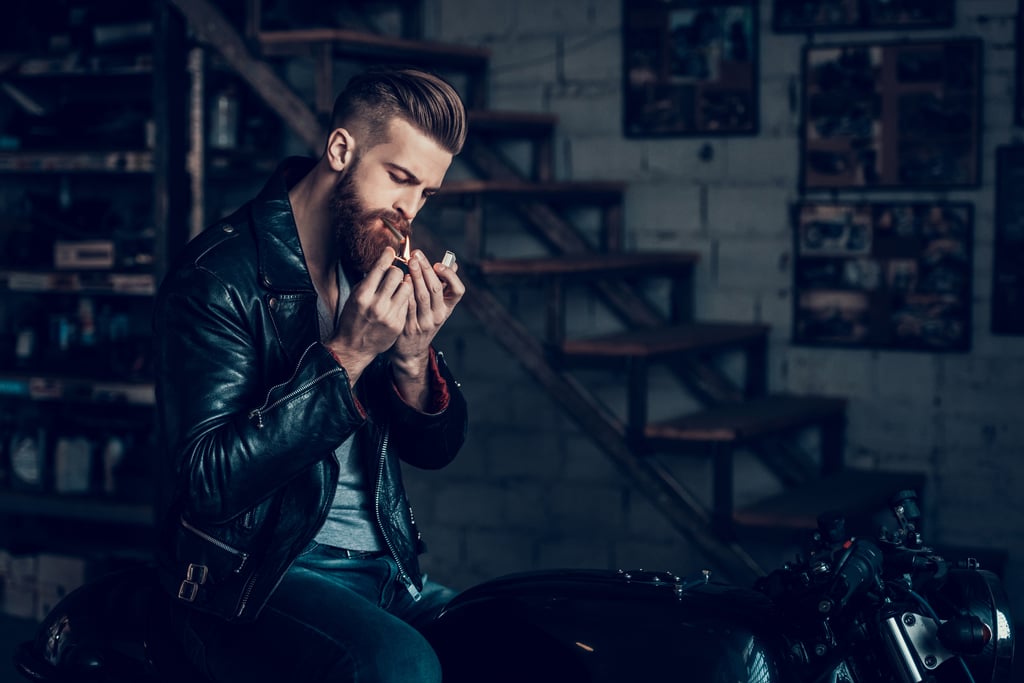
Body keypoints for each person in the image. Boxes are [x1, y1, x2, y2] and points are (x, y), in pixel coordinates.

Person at [152, 66, 469, 682]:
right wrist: (347, 354)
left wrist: (411, 356)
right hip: (256, 576)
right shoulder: (216, 278)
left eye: (426, 193)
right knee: (403, 665)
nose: (408, 212)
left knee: (520, 642)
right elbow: (207, 483)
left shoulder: (369, 259)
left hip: (386, 568)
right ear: (341, 150)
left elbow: (436, 452)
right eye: (399, 178)